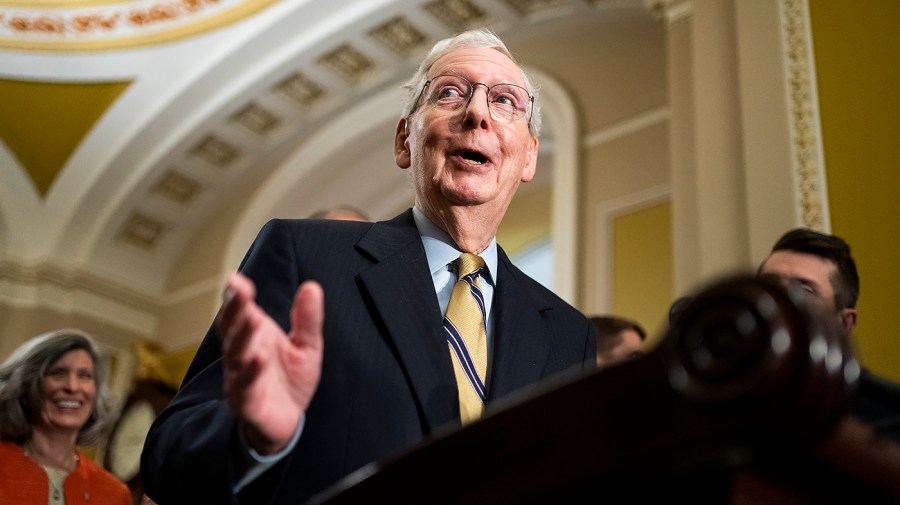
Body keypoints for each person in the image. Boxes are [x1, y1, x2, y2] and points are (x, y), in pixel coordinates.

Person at [142, 28, 596, 505]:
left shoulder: (569, 335)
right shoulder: (305, 255)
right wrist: (250, 436)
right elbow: (166, 461)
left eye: (505, 101)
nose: (477, 112)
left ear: (528, 155)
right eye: (450, 93)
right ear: (405, 140)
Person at [758, 228, 900, 444]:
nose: (779, 300)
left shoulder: (888, 418)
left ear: (843, 323)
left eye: (804, 290)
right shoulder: (710, 399)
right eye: (769, 284)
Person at [0, 329, 131, 505]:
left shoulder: (115, 494)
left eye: (85, 376)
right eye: (58, 373)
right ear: (25, 385)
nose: (73, 387)